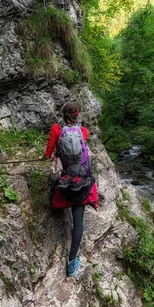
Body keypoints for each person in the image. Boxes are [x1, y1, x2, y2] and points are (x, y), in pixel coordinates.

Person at [41, 103, 98, 277]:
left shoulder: (56, 129)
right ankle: (72, 262)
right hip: (81, 181)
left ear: (63, 114)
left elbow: (50, 150)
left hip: (64, 182)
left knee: (50, 182)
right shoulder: (83, 131)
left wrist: (45, 156)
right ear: (77, 115)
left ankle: (53, 205)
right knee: (78, 222)